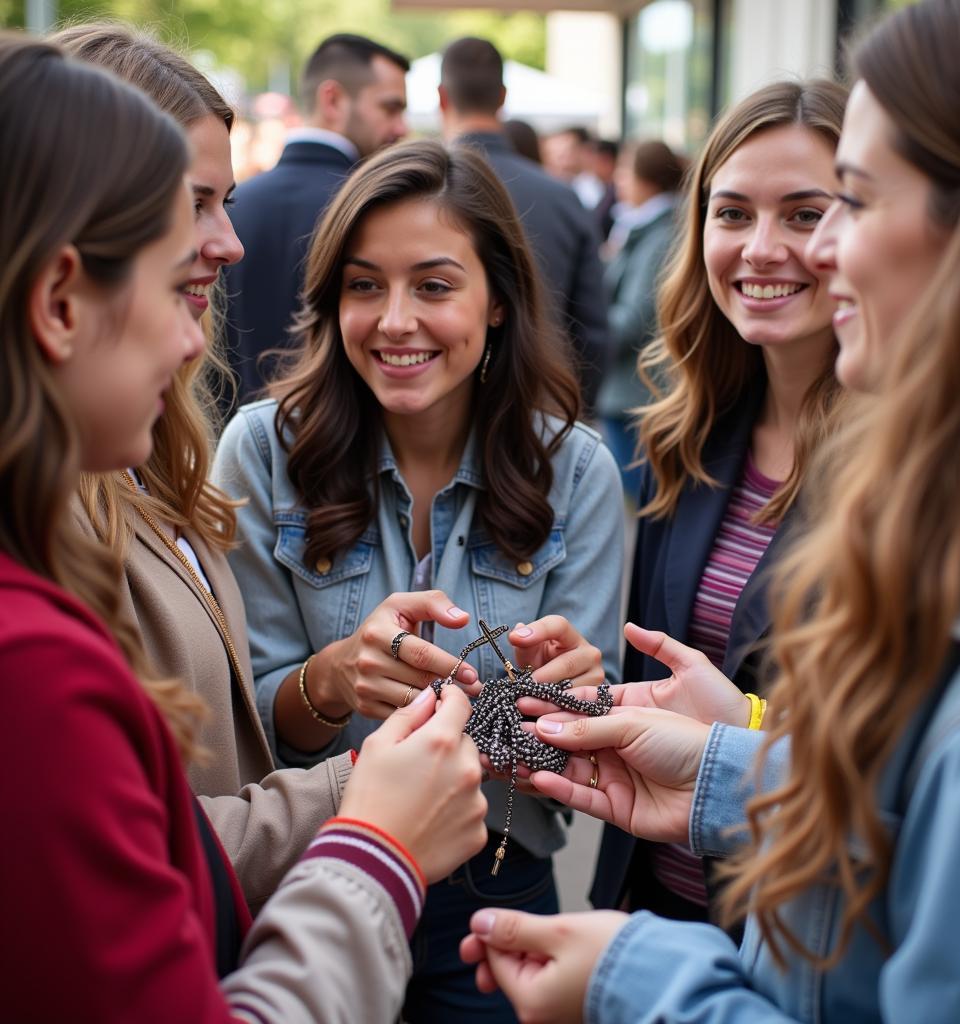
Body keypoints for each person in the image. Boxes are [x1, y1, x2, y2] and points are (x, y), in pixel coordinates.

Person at [461, 0, 960, 1020]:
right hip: (685, 911)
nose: (794, 249)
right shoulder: (683, 442)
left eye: (828, 206)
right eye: (731, 212)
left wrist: (642, 973)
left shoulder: (932, 518)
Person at [0, 34, 487, 1023]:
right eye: (180, 224)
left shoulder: (148, 457)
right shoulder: (33, 658)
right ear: (58, 297)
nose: (222, 257)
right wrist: (371, 825)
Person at [212, 139, 624, 1021]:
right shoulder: (259, 450)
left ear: (500, 300)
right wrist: (325, 682)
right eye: (365, 286)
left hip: (498, 895)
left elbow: (594, 730)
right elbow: (245, 719)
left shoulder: (576, 470)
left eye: (434, 286)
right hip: (311, 875)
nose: (395, 320)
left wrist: (578, 707)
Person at [54, 23, 360, 911]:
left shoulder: (152, 451)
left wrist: (328, 679)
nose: (228, 241)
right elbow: (136, 844)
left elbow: (216, 739)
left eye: (225, 200)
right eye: (195, 203)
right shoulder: (42, 506)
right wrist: (365, 797)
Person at [591, 79, 846, 920]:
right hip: (659, 916)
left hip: (805, 939)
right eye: (732, 214)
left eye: (804, 215)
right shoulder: (688, 435)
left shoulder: (925, 473)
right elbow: (666, 679)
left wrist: (745, 723)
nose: (760, 248)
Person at [222, 33, 410, 414]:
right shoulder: (373, 212)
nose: (401, 128)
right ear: (333, 99)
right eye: (390, 108)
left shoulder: (231, 207)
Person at [438, 37, 609, 414]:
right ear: (502, 97)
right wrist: (571, 416)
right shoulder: (562, 197)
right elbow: (593, 329)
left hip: (436, 417)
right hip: (540, 414)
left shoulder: (419, 197)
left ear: (442, 97)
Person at [596, 139, 686, 501]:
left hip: (637, 391)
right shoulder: (643, 228)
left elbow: (635, 318)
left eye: (624, 172)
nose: (618, 180)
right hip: (630, 388)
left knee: (643, 504)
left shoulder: (659, 237)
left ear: (647, 180)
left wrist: (589, 335)